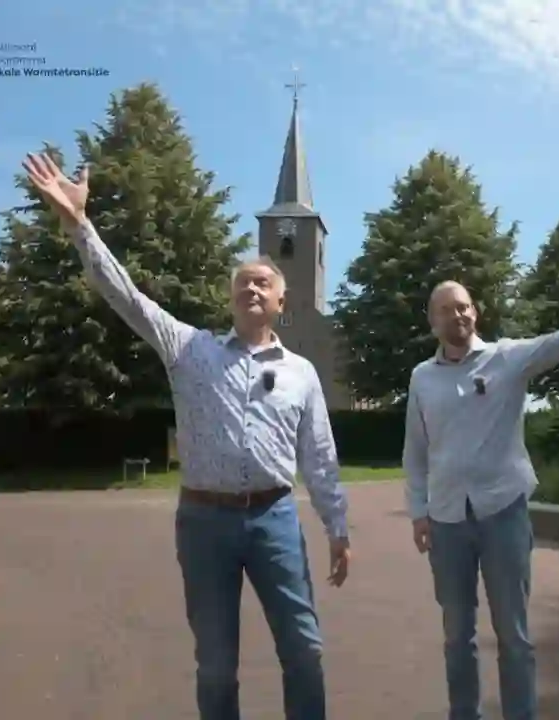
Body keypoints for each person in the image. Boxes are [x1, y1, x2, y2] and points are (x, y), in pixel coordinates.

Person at [21, 152, 351, 720]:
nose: (252, 288)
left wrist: (337, 526)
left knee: (303, 648)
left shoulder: (302, 372)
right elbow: (124, 294)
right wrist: (80, 225)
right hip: (205, 524)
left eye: (264, 283)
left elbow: (318, 455)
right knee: (217, 663)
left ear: (281, 301)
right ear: (232, 298)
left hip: (274, 518)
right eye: (243, 282)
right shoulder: (188, 348)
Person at [403, 229, 559, 720]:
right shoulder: (421, 378)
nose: (457, 314)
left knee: (513, 635)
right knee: (457, 635)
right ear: (432, 321)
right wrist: (418, 511)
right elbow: (416, 453)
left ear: (474, 311)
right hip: (447, 523)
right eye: (445, 309)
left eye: (464, 306)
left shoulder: (509, 357)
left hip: (503, 514)